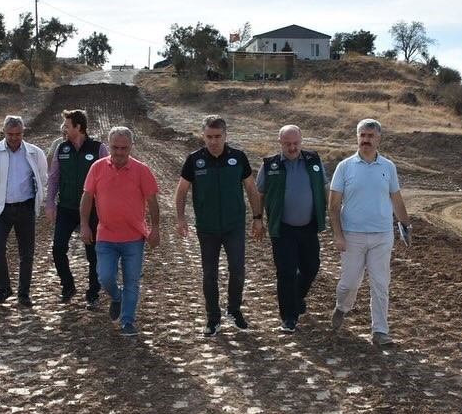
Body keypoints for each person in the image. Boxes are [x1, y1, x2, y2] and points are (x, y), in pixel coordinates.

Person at [174, 115, 263, 337]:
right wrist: (181, 218)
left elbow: (251, 189)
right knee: (209, 274)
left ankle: (234, 310)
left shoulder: (238, 157)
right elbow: (182, 190)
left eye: (217, 136)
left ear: (225, 135)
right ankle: (213, 319)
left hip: (234, 226)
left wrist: (257, 217)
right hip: (207, 228)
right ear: (203, 136)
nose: (213, 141)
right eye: (208, 137)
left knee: (238, 270)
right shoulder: (194, 160)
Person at [329, 118, 412, 345]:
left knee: (380, 283)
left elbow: (396, 198)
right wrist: (338, 235)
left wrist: (405, 224)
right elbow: (334, 204)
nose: (365, 140)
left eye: (370, 136)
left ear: (379, 139)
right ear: (357, 137)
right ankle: (342, 307)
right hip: (352, 235)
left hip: (382, 235)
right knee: (349, 283)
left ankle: (380, 331)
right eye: (362, 136)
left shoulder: (388, 167)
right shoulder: (344, 167)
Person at [80, 126, 160, 336]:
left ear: (131, 147)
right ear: (109, 146)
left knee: (132, 281)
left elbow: (152, 200)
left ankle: (127, 321)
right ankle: (116, 297)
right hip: (105, 236)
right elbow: (87, 197)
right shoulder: (97, 168)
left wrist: (155, 229)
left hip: (133, 237)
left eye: (124, 148)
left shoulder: (142, 170)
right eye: (115, 148)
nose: (119, 153)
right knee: (105, 277)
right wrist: (85, 224)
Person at [256, 125, 327, 333]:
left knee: (311, 268)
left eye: (296, 143)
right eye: (288, 144)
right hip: (283, 228)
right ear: (280, 143)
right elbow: (259, 194)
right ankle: (289, 317)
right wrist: (258, 219)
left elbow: (324, 187)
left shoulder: (314, 160)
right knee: (286, 273)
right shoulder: (270, 165)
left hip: (309, 227)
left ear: (301, 141)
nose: (292, 147)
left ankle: (296, 297)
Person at [0, 115, 48, 307]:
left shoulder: (35, 152)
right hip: (1, 210)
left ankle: (24, 293)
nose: (14, 138)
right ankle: (3, 289)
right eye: (10, 134)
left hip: (25, 208)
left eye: (18, 134)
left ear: (23, 132)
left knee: (27, 253)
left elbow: (42, 177)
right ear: (4, 132)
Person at [45, 109, 108, 308]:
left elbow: (108, 180)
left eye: (67, 125)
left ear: (78, 127)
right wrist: (50, 204)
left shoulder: (98, 149)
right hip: (66, 207)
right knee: (58, 248)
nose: (64, 129)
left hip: (93, 210)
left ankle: (93, 294)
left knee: (93, 253)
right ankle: (68, 286)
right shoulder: (61, 149)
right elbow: (54, 178)